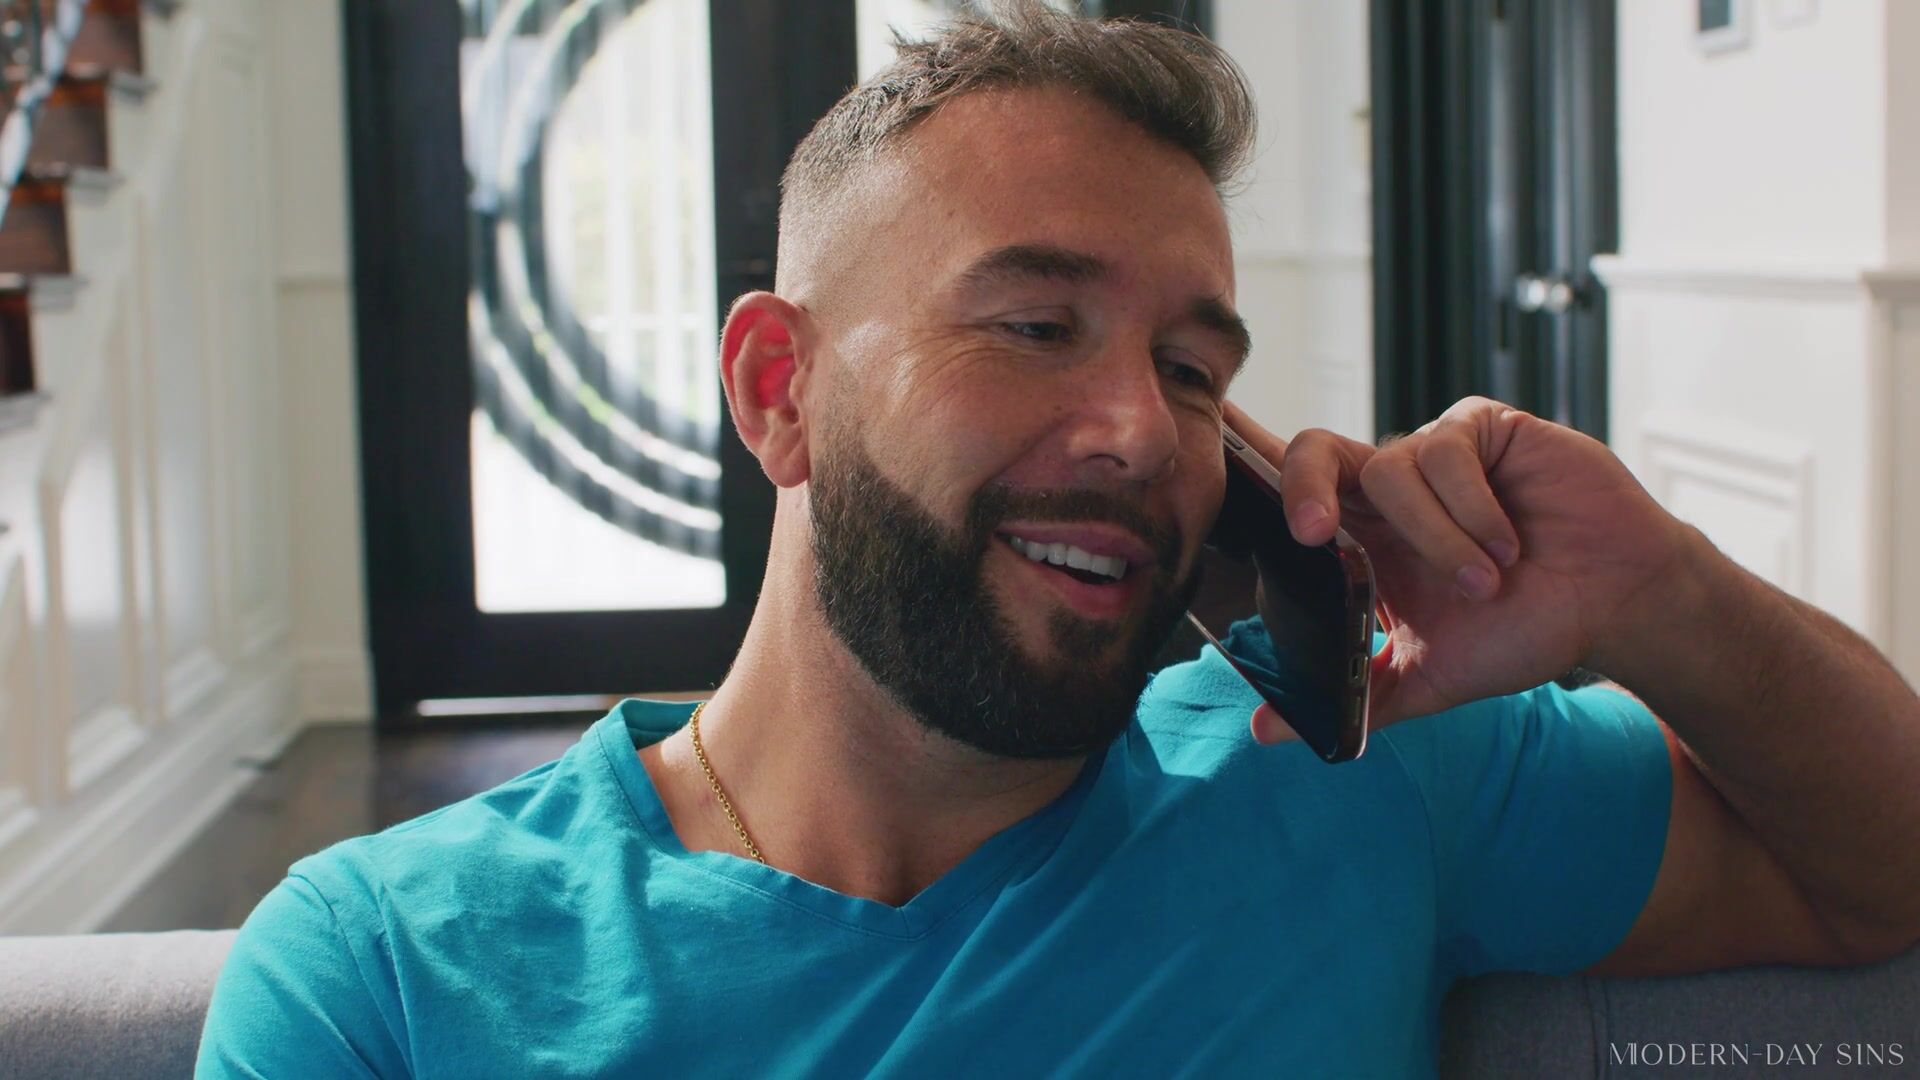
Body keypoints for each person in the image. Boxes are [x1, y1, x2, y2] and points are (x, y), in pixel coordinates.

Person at [196, 5, 1920, 1076]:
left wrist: (1654, 595)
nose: (1143, 432)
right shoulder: (385, 975)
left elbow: (1882, 870)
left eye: (1193, 369)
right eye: (1033, 326)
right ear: (780, 390)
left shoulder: (1357, 775)